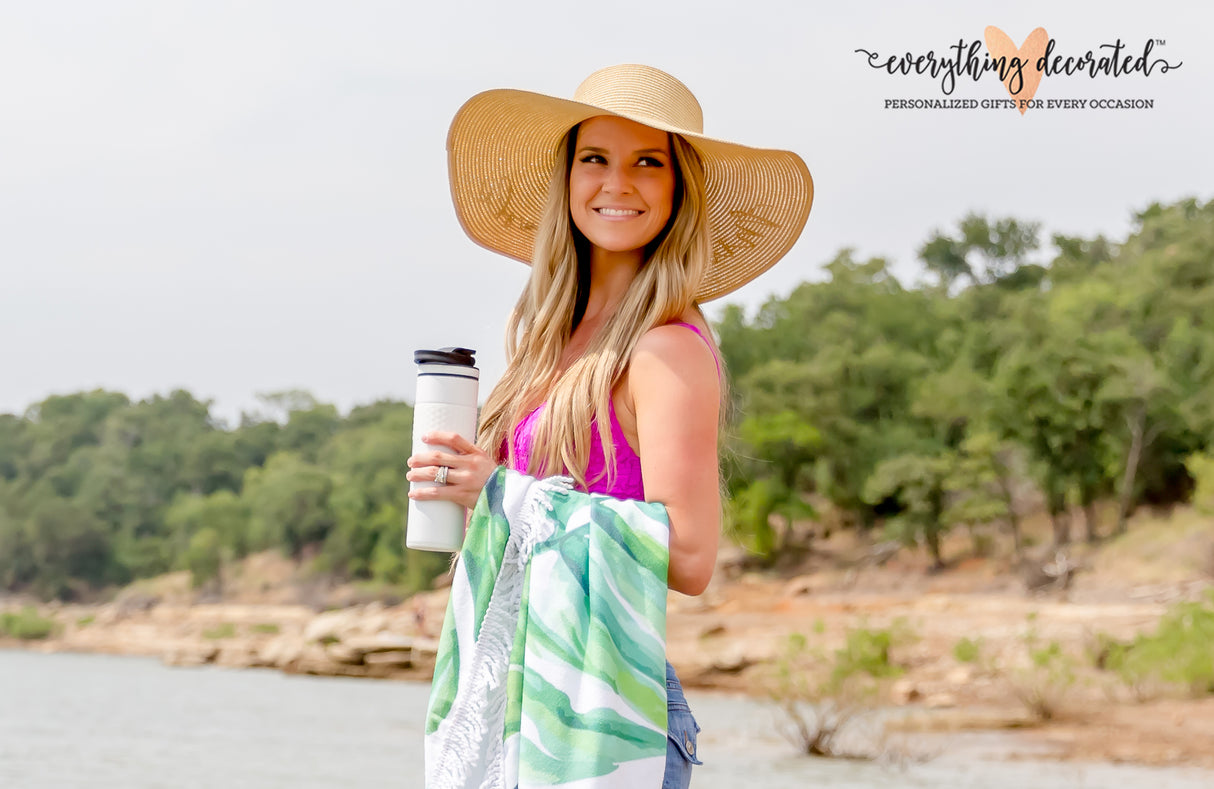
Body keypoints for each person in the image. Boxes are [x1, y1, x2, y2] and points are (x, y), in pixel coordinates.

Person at [408, 64, 813, 788]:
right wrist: (470, 486)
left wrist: (504, 490)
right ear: (567, 179)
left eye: (647, 162)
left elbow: (690, 557)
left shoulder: (665, 348)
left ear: (677, 188)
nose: (617, 183)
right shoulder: (548, 342)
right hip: (524, 697)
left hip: (605, 713)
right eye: (595, 158)